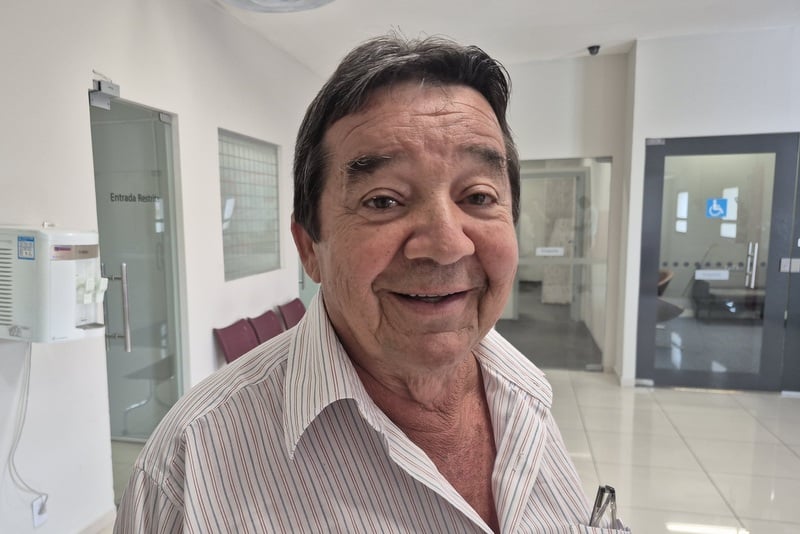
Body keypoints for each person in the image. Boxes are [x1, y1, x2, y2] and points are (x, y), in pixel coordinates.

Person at [115, 34, 628, 533]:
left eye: (477, 197)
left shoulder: (524, 396)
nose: (447, 245)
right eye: (383, 200)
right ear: (309, 247)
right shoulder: (188, 470)